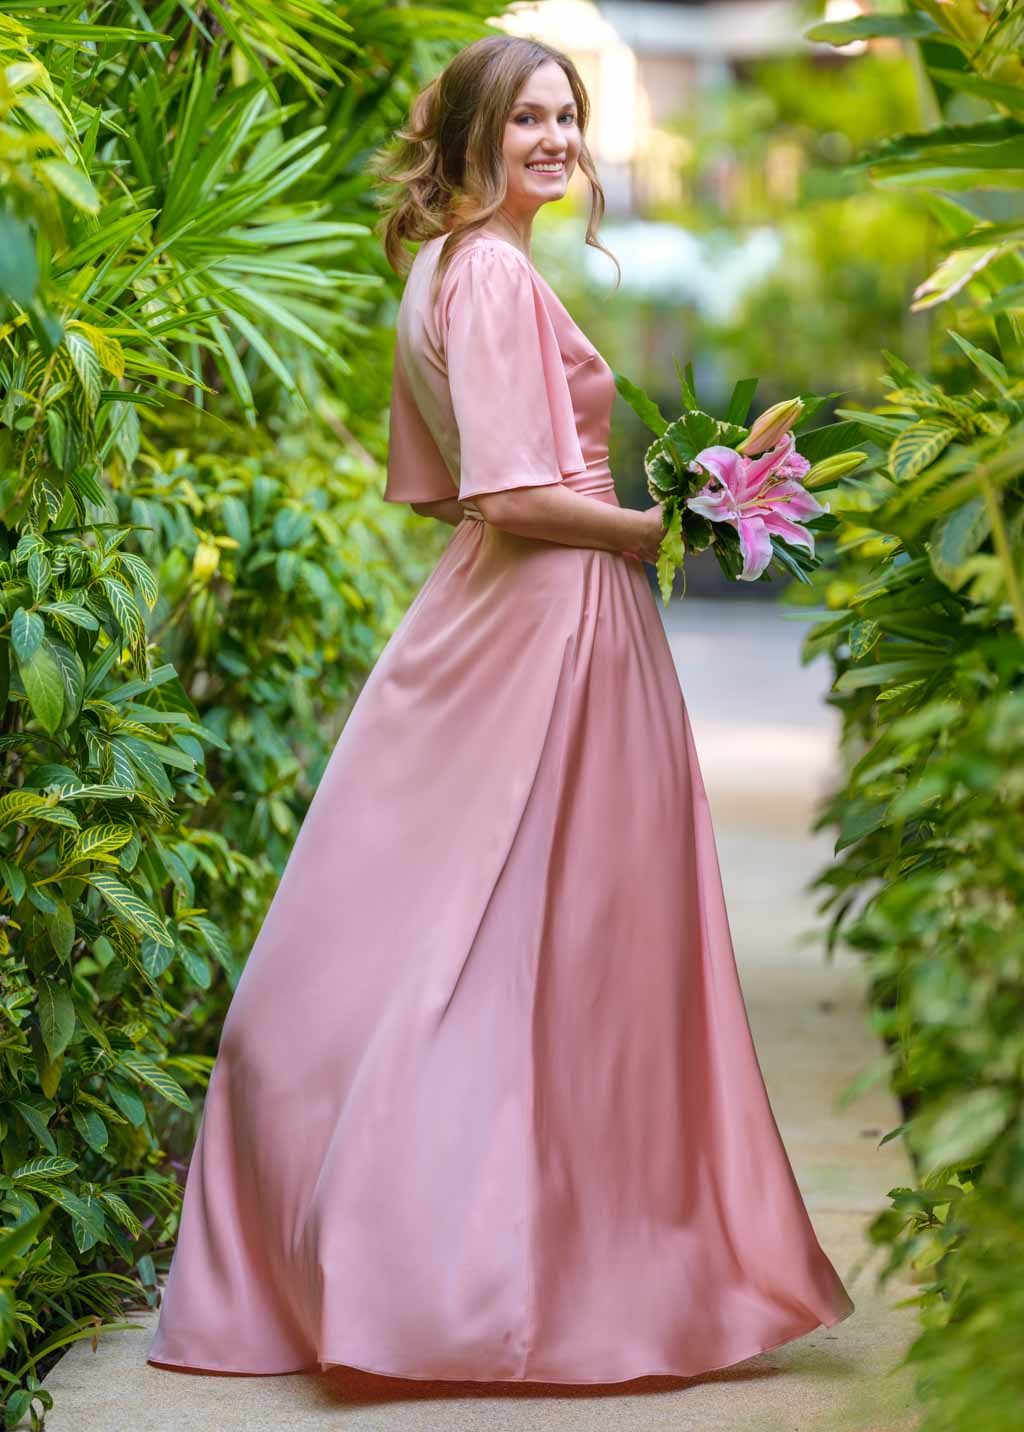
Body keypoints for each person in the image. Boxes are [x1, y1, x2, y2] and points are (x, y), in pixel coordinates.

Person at [146, 34, 855, 1385]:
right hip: (549, 623)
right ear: (472, 133)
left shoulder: (445, 267)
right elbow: (511, 496)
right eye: (526, 116)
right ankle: (462, 1273)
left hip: (501, 612)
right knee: (538, 952)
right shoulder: (492, 277)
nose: (553, 139)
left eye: (566, 117)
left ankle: (479, 1254)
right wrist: (660, 525)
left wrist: (690, 493)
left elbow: (458, 487)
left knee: (490, 943)